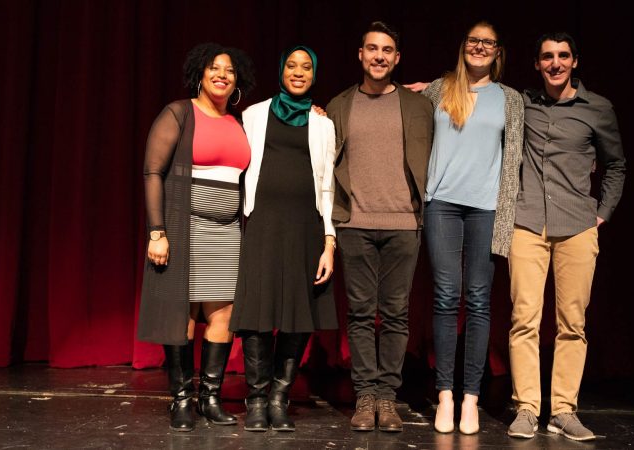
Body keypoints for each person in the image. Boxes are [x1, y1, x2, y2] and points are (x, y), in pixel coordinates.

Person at [505, 32, 626, 441]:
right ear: (536, 64)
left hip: (576, 226)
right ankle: (526, 407)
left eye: (563, 56)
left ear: (575, 61)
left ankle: (562, 409)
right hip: (527, 223)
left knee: (572, 323)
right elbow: (473, 91)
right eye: (547, 57)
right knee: (524, 319)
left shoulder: (598, 109)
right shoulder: (521, 103)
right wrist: (424, 89)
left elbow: (616, 165)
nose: (555, 63)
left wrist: (602, 214)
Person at [411, 20, 524, 435]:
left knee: (478, 300)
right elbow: (396, 106)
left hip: (487, 208)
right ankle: (445, 395)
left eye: (488, 43)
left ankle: (471, 399)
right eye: (473, 41)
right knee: (445, 296)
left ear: (498, 52)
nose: (479, 47)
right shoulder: (439, 90)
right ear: (464, 46)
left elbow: (517, 154)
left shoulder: (510, 100)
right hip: (441, 204)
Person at [138, 42, 256, 432]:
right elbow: (153, 171)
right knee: (184, 315)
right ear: (200, 75)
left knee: (221, 314)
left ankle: (210, 398)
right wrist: (158, 231)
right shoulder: (179, 112)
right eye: (214, 68)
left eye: (230, 70)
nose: (222, 75)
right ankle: (182, 400)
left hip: (228, 232)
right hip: (186, 227)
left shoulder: (238, 122)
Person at [325, 21, 434, 433]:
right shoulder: (339, 105)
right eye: (372, 49)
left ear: (397, 58)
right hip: (355, 222)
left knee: (395, 314)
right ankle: (365, 395)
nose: (379, 56)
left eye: (387, 50)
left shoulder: (418, 105)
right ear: (360, 54)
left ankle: (387, 398)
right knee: (358, 313)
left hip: (404, 224)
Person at [229, 45, 338, 433]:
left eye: (306, 66)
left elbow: (328, 187)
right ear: (281, 70)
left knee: (298, 315)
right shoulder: (254, 115)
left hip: (306, 227)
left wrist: (329, 242)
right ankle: (256, 399)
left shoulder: (324, 123)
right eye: (291, 65)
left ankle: (279, 397)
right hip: (263, 225)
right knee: (257, 314)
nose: (298, 72)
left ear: (314, 74)